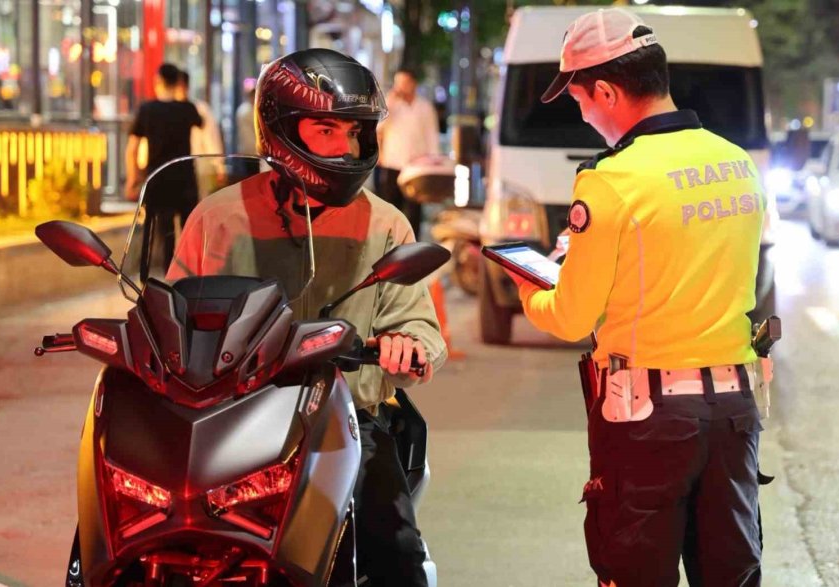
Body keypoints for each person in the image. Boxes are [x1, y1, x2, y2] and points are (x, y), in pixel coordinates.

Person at [505, 9, 768, 587]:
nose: (585, 115)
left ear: (605, 90)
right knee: (730, 570)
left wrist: (530, 288)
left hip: (648, 418)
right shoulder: (738, 164)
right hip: (735, 410)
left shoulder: (610, 181)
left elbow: (572, 314)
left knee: (635, 571)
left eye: (580, 101)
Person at [167, 49, 446, 587]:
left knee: (394, 551)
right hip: (227, 417)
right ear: (282, 130)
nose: (345, 147)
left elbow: (420, 326)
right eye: (326, 130)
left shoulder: (386, 225)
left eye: (354, 132)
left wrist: (406, 345)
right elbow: (172, 307)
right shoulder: (217, 217)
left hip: (344, 422)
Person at [125, 62, 203, 283]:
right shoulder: (187, 109)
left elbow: (131, 148)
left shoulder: (147, 109)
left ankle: (152, 278)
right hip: (185, 179)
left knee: (158, 230)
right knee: (190, 229)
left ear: (157, 81)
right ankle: (192, 278)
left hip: (157, 178)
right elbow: (201, 123)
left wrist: (133, 178)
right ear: (179, 83)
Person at [376, 68, 441, 239]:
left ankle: (412, 241)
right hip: (392, 162)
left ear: (413, 84)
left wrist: (433, 158)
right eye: (399, 83)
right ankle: (391, 241)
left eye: (405, 83)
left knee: (414, 208)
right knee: (391, 205)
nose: (402, 87)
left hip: (416, 165)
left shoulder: (424, 107)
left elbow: (431, 133)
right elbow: (378, 128)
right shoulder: (391, 105)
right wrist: (390, 103)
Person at [175, 69, 227, 194]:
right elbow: (211, 138)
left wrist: (219, 166)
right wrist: (219, 166)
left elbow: (211, 139)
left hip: (198, 165)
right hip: (195, 164)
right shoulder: (199, 108)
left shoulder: (200, 109)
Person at [233, 79, 260, 181]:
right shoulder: (247, 112)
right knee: (253, 178)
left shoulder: (244, 110)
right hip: (251, 152)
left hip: (248, 152)